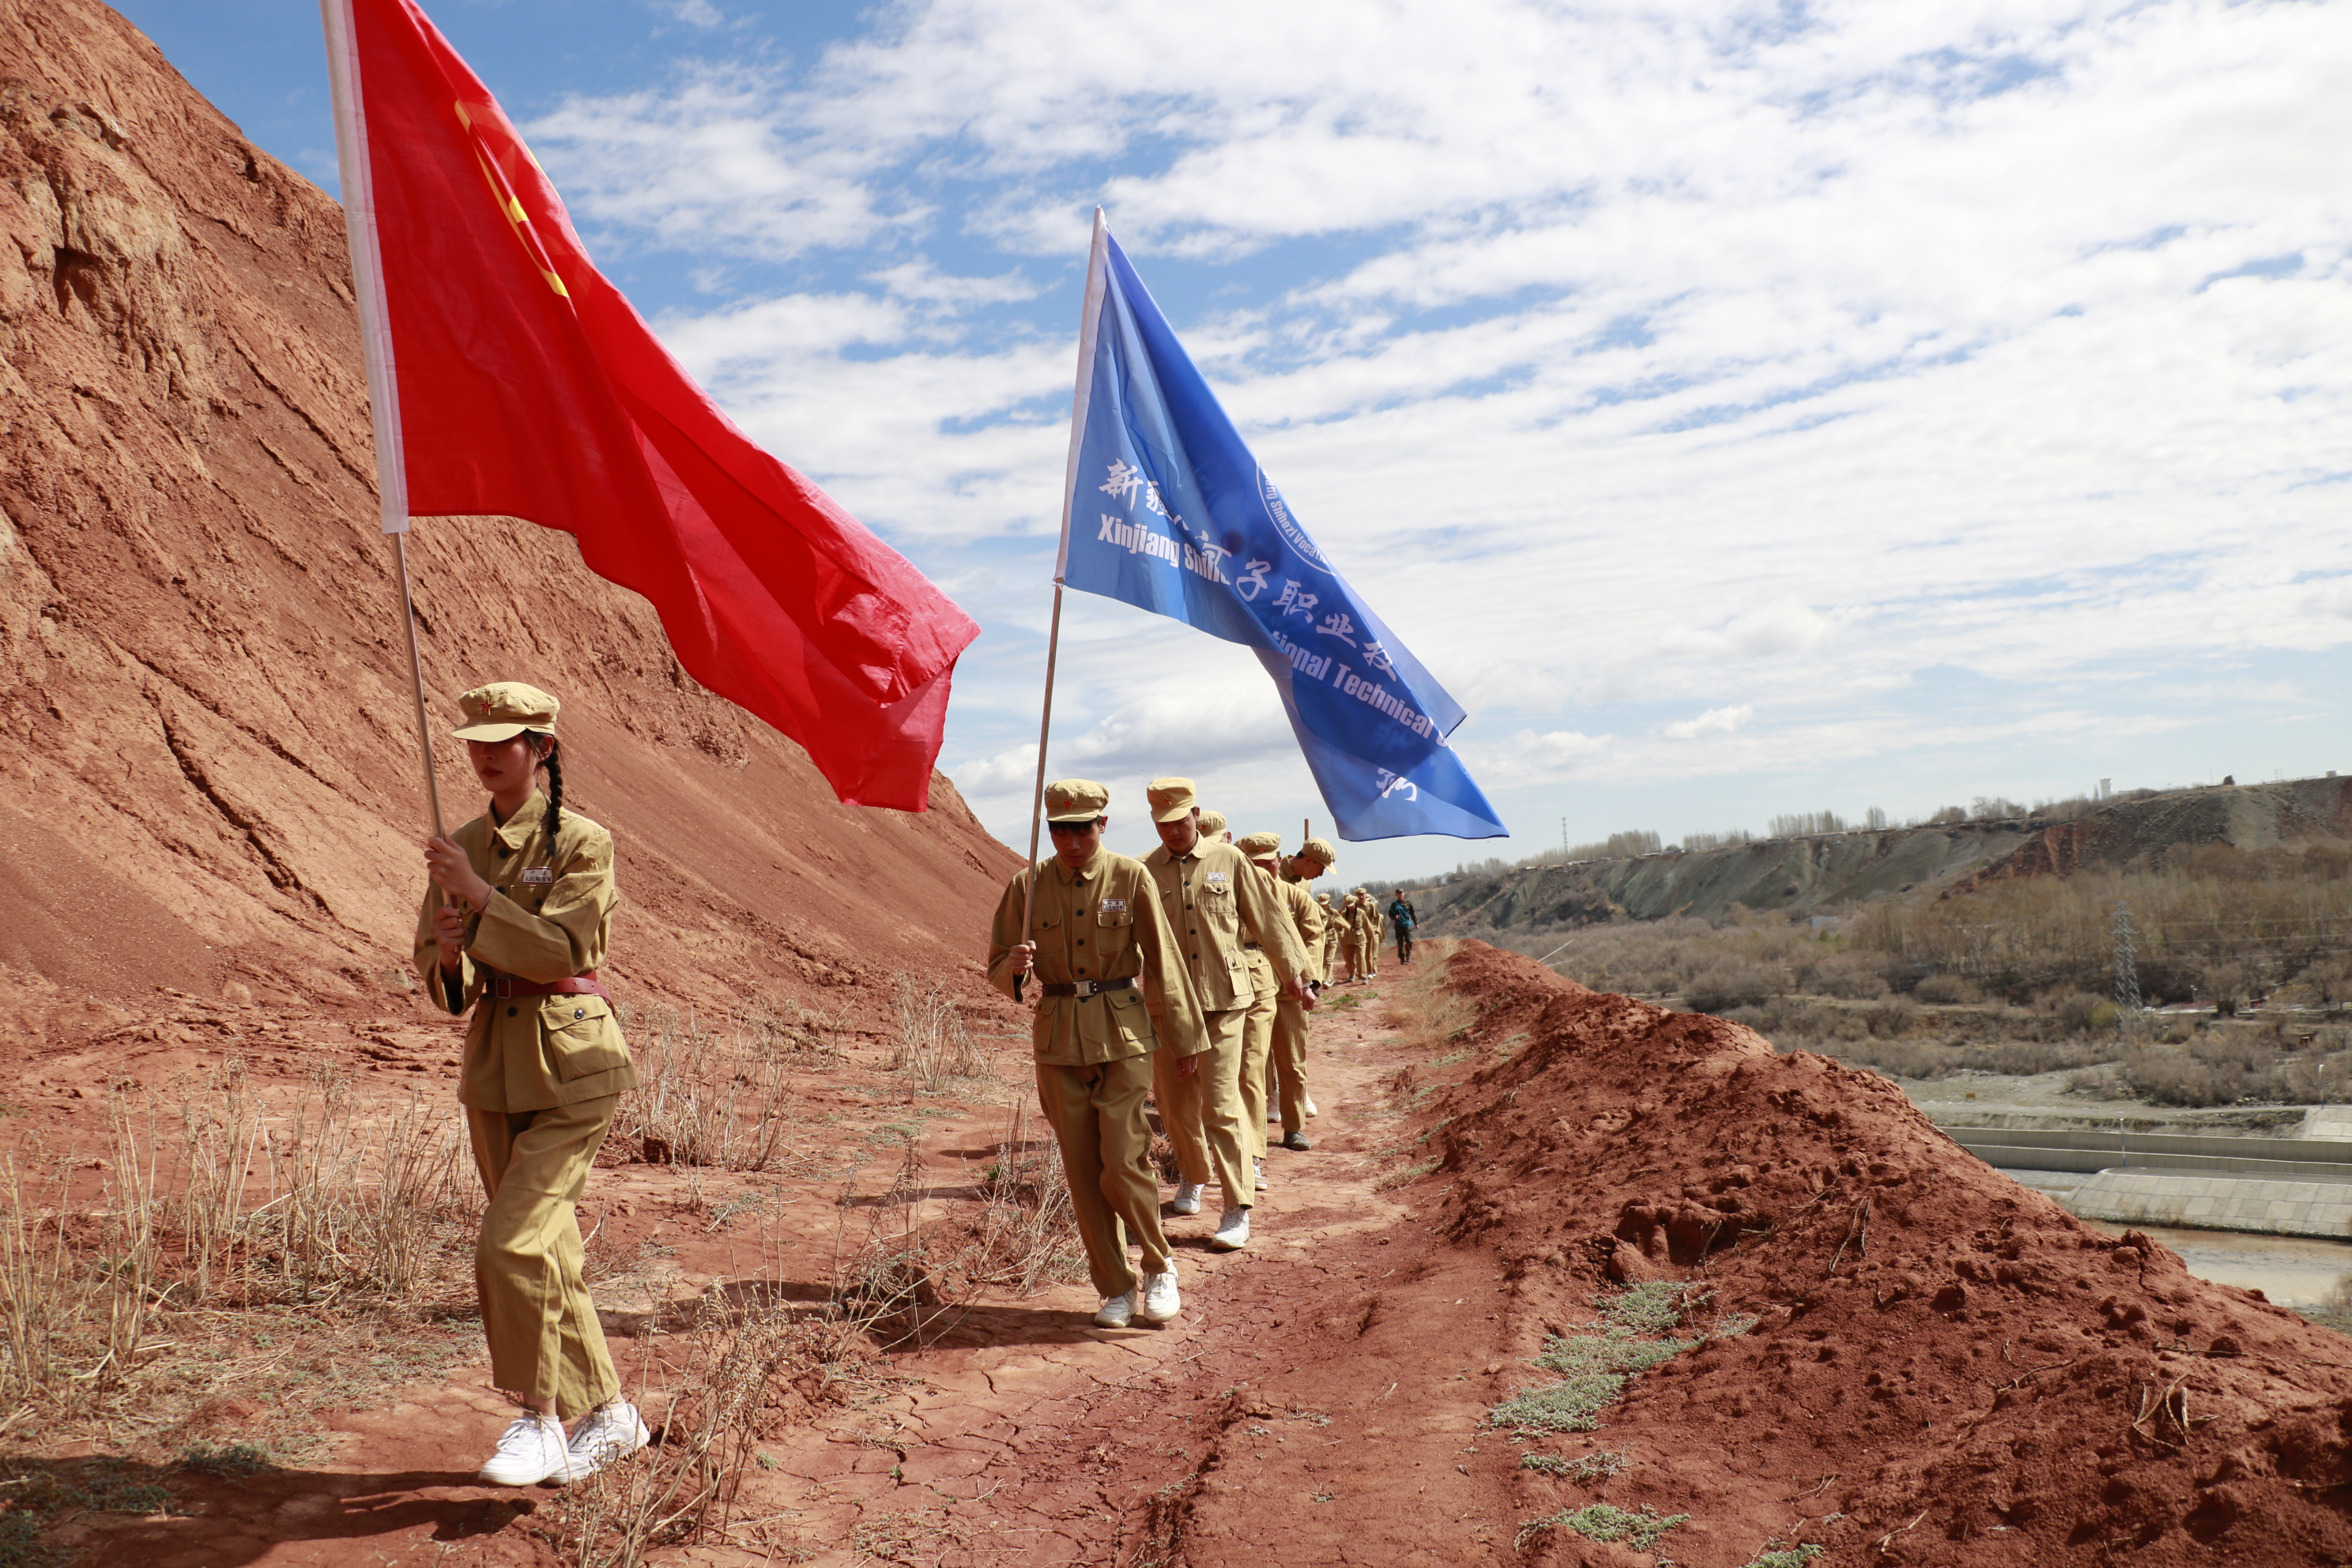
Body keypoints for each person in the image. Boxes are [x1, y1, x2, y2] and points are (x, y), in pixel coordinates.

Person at [413, 681, 648, 1489]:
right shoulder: (459, 845)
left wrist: (481, 898)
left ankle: (540, 1418)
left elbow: (563, 951)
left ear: (541, 749)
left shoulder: (583, 841)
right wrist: (451, 952)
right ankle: (612, 1415)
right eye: (474, 740)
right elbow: (448, 985)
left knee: (510, 1241)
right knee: (549, 1250)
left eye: (502, 740)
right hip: (496, 1068)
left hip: (575, 1063)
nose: (484, 753)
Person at [986, 779, 1208, 1327]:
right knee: (1083, 1172)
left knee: (1124, 1158)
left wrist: (1184, 1039)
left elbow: (1165, 961)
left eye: (1082, 830)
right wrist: (1013, 967)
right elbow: (996, 964)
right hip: (1058, 1039)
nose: (1071, 842)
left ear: (1102, 825)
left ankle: (1158, 1265)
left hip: (1123, 1033)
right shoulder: (1027, 886)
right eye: (1060, 831)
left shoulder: (1130, 877)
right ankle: (1115, 1287)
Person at [1140, 780, 1312, 1250]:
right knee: (1175, 1106)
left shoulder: (1230, 860)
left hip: (1225, 1003)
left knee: (1221, 1104)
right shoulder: (1143, 871)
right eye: (1163, 824)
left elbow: (1268, 918)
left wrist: (1296, 974)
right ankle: (1194, 1174)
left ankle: (1237, 1205)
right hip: (1167, 1007)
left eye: (1180, 821)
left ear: (1195, 814)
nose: (1172, 831)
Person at [1242, 832, 1325, 1153]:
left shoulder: (1296, 897)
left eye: (1269, 862)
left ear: (1279, 860)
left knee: (1291, 1061)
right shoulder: (1236, 898)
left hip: (1289, 992)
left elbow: (1312, 940)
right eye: (1256, 864)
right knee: (1252, 1064)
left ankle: (1293, 1128)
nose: (1264, 869)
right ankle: (1253, 1134)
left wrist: (1309, 982)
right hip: (1251, 990)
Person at [1280, 838, 1340, 1125]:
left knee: (1295, 1039)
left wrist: (1309, 980)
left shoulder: (1303, 886)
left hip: (1296, 974)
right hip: (1264, 971)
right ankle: (1273, 1095)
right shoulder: (1268, 876)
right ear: (1309, 861)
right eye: (1321, 868)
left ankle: (1298, 1093)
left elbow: (1312, 935)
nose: (1320, 874)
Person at [1389, 888, 1418, 965]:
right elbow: (1390, 914)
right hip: (1399, 926)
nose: (1400, 895)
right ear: (1396, 895)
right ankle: (1402, 959)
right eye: (1398, 894)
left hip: (1407, 926)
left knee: (1409, 941)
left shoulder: (1408, 903)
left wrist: (1416, 923)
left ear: (1403, 894)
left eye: (1401, 893)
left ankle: (1408, 955)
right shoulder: (1394, 905)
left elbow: (1412, 914)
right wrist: (1395, 917)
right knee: (1400, 943)